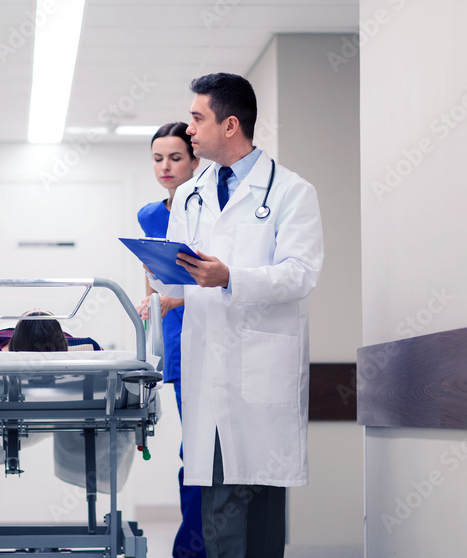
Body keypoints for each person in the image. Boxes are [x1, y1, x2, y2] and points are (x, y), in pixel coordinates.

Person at [147, 73, 324, 557]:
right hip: (210, 366)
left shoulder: (291, 192)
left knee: (262, 508)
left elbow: (301, 274)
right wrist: (162, 269)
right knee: (221, 504)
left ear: (229, 125)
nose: (189, 130)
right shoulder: (191, 194)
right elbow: (183, 276)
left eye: (197, 118)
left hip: (262, 368)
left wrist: (231, 278)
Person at [136, 122, 205, 557]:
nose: (166, 166)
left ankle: (195, 548)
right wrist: (153, 322)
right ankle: (192, 548)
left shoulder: (210, 210)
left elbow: (207, 280)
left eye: (175, 157)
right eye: (158, 158)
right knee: (193, 454)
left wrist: (172, 300)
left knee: (206, 455)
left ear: (195, 160)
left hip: (213, 333)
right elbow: (152, 278)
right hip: (178, 347)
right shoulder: (150, 215)